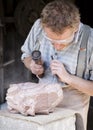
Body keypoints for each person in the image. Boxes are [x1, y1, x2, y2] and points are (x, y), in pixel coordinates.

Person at [21, 0, 93, 130]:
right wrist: (31, 64)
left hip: (73, 110)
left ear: (75, 28)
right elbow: (26, 55)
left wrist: (68, 78)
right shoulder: (38, 26)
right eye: (51, 41)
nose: (57, 47)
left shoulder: (90, 40)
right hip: (40, 105)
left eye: (64, 41)